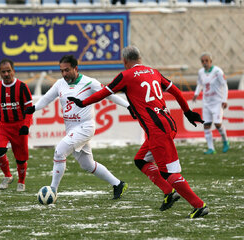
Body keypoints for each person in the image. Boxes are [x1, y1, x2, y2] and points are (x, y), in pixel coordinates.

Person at [68, 46, 209, 219]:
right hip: (167, 123)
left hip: (157, 130)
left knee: (169, 173)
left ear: (125, 61)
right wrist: (187, 112)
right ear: (140, 58)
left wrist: (83, 103)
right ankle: (169, 192)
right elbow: (176, 91)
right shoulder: (153, 72)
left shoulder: (125, 76)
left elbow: (104, 92)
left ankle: (198, 205)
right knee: (141, 160)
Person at [24, 55, 132, 200]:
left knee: (59, 152)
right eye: (61, 71)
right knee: (88, 165)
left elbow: (109, 94)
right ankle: (118, 184)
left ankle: (52, 191)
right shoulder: (59, 84)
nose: (64, 74)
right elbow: (47, 98)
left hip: (85, 127)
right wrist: (34, 108)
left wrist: (129, 106)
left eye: (67, 70)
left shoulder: (90, 82)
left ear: (76, 68)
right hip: (71, 128)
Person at [0, 58, 33, 192]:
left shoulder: (22, 87)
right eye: (3, 72)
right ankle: (7, 175)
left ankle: (21, 181)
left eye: (8, 71)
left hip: (19, 126)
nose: (6, 74)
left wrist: (26, 125)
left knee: (21, 158)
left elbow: (29, 109)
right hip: (3, 126)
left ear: (13, 71)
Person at [193, 52, 229, 154]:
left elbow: (224, 85)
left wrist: (224, 100)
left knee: (217, 124)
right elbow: (200, 83)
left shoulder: (218, 71)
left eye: (206, 61)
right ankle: (211, 148)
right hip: (206, 103)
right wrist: (196, 93)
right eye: (202, 61)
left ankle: (225, 141)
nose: (204, 63)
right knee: (206, 125)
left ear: (211, 61)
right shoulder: (201, 72)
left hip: (217, 102)